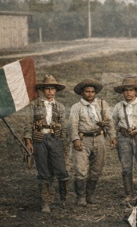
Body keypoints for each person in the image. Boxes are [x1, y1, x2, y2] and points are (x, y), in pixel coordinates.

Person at [23, 75, 70, 212]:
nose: (50, 91)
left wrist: (64, 145)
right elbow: (28, 124)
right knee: (43, 171)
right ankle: (45, 202)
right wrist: (28, 141)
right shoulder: (34, 105)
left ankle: (63, 199)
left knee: (61, 170)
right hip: (39, 139)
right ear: (43, 90)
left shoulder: (60, 107)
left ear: (56, 90)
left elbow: (63, 127)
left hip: (55, 139)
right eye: (47, 88)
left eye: (52, 89)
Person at [68, 79, 115, 206]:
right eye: (87, 91)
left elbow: (109, 121)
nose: (90, 94)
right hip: (83, 139)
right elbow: (73, 125)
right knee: (80, 169)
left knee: (97, 169)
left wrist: (112, 136)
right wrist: (75, 139)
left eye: (92, 92)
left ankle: (90, 195)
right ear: (81, 93)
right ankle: (81, 197)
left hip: (99, 138)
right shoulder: (76, 107)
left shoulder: (102, 104)